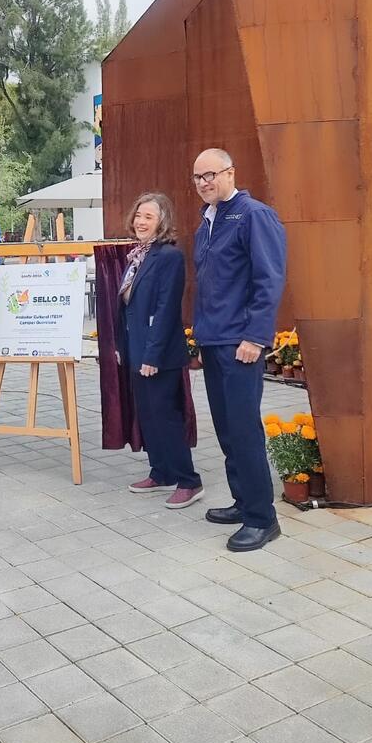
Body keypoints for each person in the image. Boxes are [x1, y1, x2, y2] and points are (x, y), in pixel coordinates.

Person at [192, 148, 287, 551]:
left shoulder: (252, 215)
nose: (203, 183)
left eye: (210, 175)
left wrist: (255, 337)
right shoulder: (207, 222)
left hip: (240, 344)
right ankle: (244, 500)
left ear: (231, 172)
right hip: (215, 342)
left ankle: (263, 519)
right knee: (228, 428)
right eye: (197, 177)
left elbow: (269, 279)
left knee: (244, 429)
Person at [116, 192, 204, 509]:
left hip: (159, 354)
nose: (141, 221)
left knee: (165, 417)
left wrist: (151, 356)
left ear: (162, 221)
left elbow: (166, 310)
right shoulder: (138, 256)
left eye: (148, 217)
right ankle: (161, 471)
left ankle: (189, 480)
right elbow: (128, 308)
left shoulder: (168, 256)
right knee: (148, 416)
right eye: (139, 215)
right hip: (137, 349)